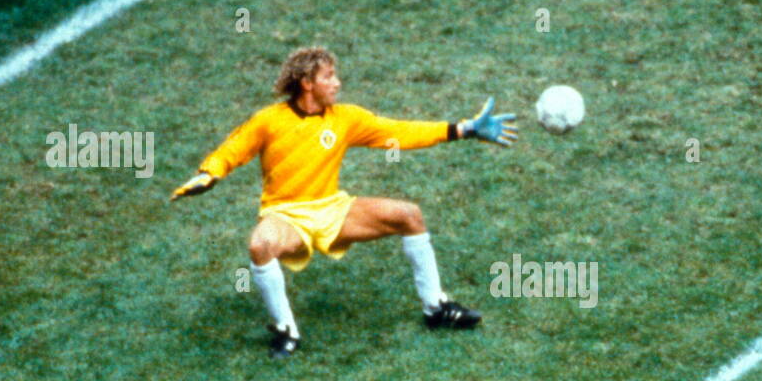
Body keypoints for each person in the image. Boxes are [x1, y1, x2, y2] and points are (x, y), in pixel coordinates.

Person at [170, 46, 517, 356]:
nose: (337, 83)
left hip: (333, 209)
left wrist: (464, 129)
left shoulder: (346, 118)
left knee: (408, 215)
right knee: (260, 246)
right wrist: (209, 173)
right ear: (307, 82)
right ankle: (286, 331)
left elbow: (398, 132)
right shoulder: (270, 121)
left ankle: (437, 308)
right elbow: (234, 149)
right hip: (287, 215)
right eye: (329, 77)